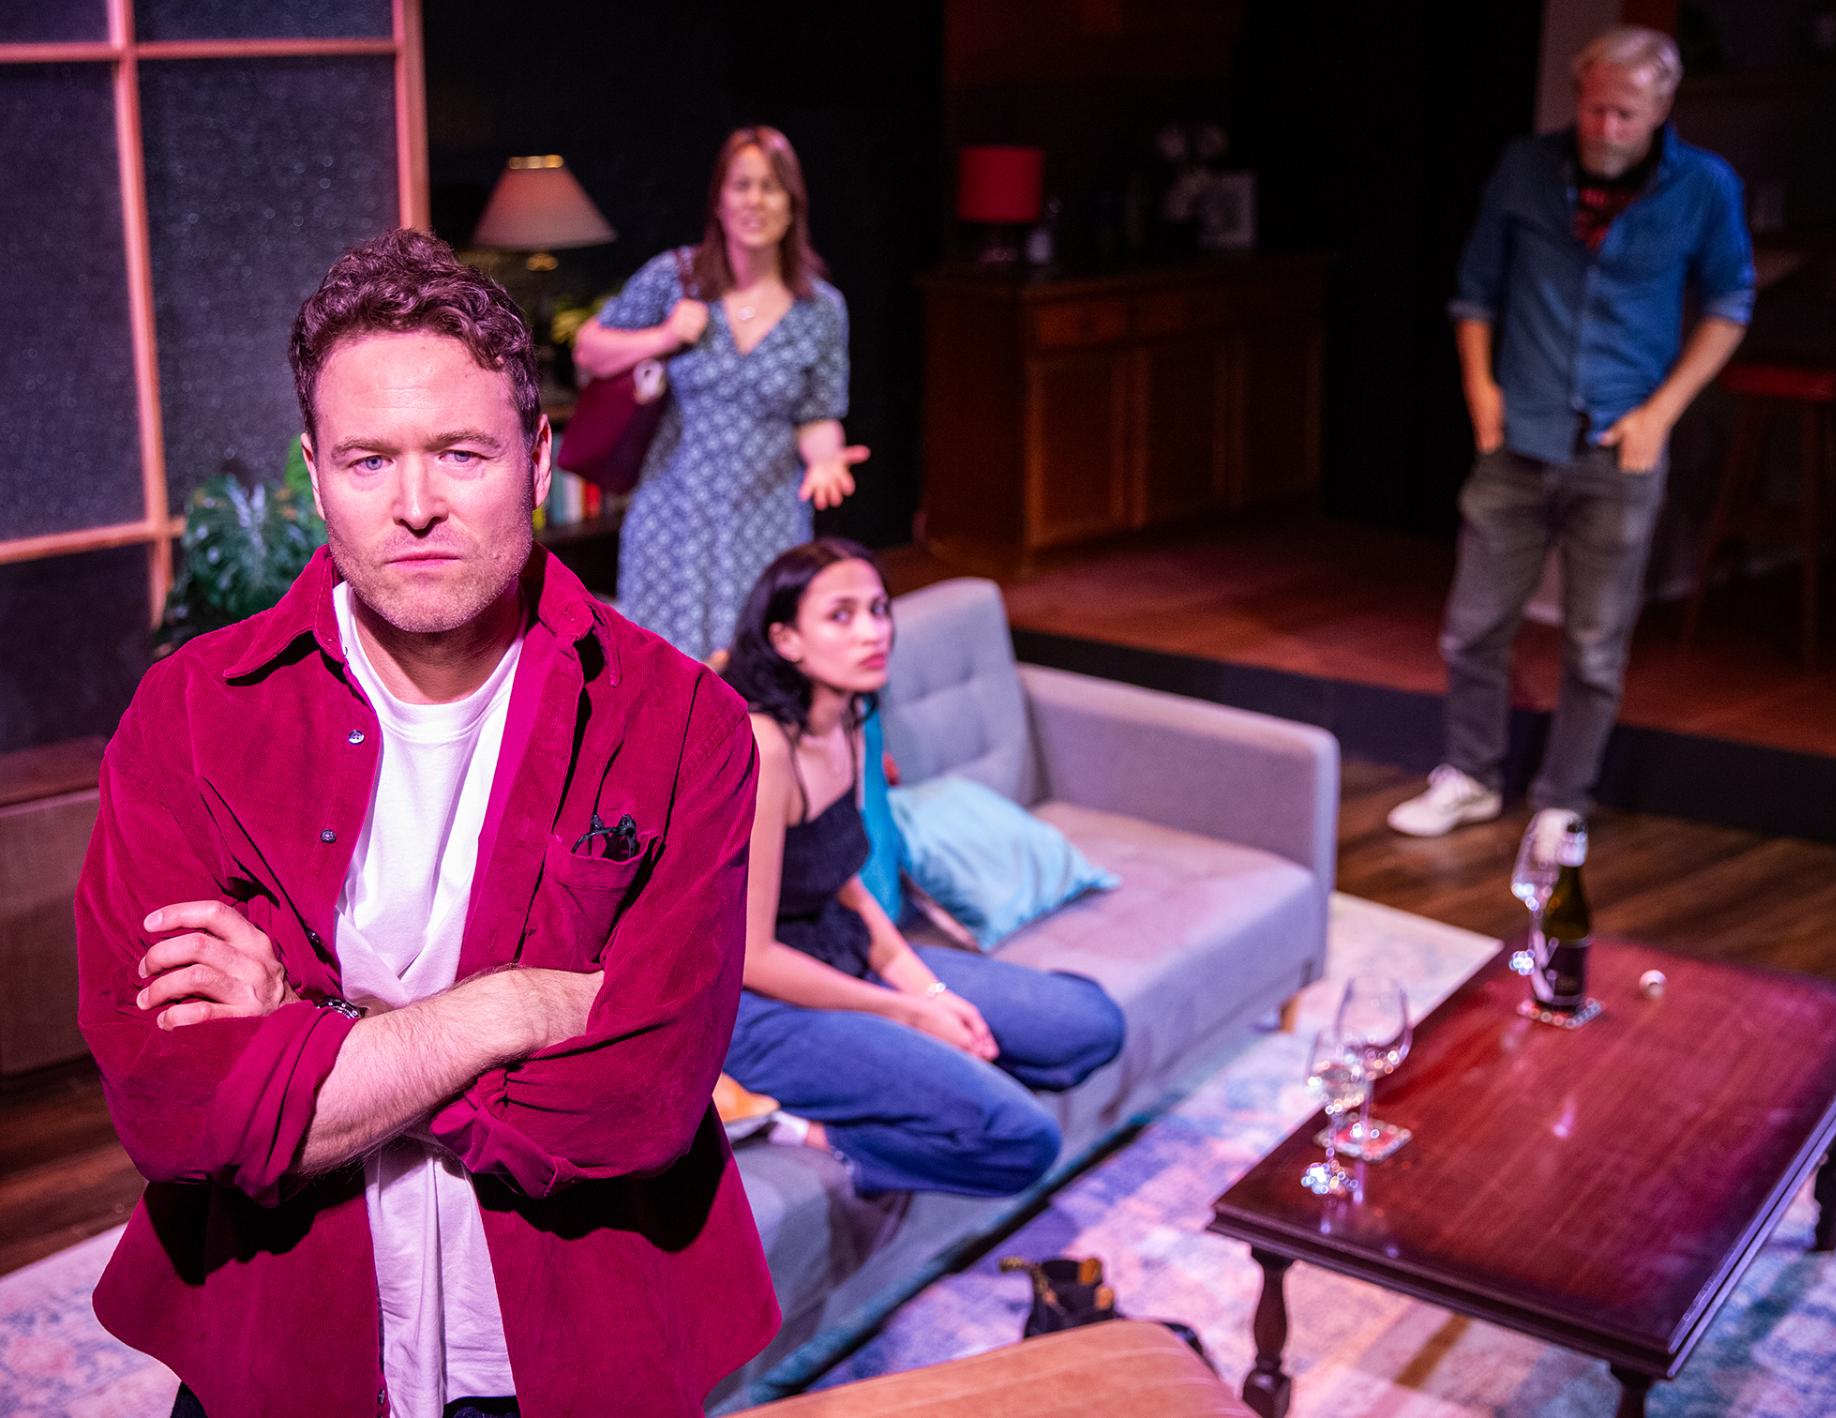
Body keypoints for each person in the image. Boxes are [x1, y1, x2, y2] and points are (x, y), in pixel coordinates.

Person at [74, 228, 777, 1418]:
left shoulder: (682, 722)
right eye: (368, 459)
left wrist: (303, 1032)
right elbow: (174, 1105)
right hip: (281, 1338)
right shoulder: (189, 713)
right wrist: (511, 1009)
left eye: (460, 452)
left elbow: (638, 1099)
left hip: (571, 1347)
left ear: (537, 456)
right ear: (315, 474)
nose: (415, 507)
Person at [1389, 26, 1755, 842]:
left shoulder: (1703, 186)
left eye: (1626, 114)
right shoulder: (1528, 169)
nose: (1607, 128)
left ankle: (1563, 801)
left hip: (1617, 444)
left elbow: (1730, 304)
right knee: (1473, 628)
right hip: (1519, 435)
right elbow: (1475, 289)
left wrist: (1661, 413)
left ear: (1660, 110)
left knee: (1593, 646)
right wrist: (1480, 390)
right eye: (1595, 110)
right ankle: (1472, 775)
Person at [718, 541, 1126, 1197]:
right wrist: (907, 1013)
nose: (873, 632)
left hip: (842, 953)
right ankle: (790, 1124)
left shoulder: (850, 719)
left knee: (1090, 1025)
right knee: (1022, 1141)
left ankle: (934, 1078)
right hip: (757, 1007)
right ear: (786, 639)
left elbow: (842, 881)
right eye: (842, 615)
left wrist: (928, 991)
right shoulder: (765, 748)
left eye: (879, 609)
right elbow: (750, 957)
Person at [573, 125, 865, 661]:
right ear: (719, 201)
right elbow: (589, 349)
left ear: (792, 204)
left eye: (770, 187)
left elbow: (819, 415)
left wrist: (826, 460)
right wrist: (663, 337)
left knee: (756, 672)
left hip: (767, 523)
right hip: (674, 522)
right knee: (664, 676)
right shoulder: (677, 278)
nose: (755, 200)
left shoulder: (821, 309)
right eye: (742, 185)